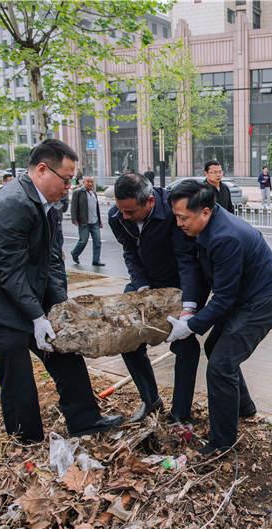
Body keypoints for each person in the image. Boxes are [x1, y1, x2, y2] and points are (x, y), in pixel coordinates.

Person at [0, 139, 123, 443]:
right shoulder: (13, 203)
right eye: (66, 179)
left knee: (62, 348)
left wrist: (57, 311)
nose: (69, 186)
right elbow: (10, 271)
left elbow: (53, 261)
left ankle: (85, 420)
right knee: (16, 360)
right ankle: (25, 439)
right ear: (42, 169)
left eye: (73, 180)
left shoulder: (49, 206)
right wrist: (35, 317)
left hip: (19, 290)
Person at [166, 180, 272, 455]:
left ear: (205, 212)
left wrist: (191, 326)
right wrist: (190, 311)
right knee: (215, 349)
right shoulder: (208, 228)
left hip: (262, 302)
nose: (179, 224)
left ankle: (223, 441)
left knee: (220, 365)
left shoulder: (225, 237)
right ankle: (244, 407)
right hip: (245, 297)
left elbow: (223, 298)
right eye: (176, 216)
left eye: (183, 218)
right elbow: (207, 279)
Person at [108, 173, 203, 424]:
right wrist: (141, 285)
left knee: (185, 344)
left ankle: (180, 412)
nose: (124, 217)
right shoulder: (117, 216)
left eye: (130, 211)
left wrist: (189, 305)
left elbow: (186, 260)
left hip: (179, 284)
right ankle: (150, 400)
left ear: (150, 202)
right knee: (127, 339)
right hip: (145, 283)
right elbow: (130, 252)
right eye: (121, 210)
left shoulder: (173, 213)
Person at [70, 176, 104, 266]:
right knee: (83, 241)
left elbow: (96, 208)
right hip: (84, 222)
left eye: (91, 182)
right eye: (88, 182)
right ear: (84, 182)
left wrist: (100, 221)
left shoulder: (94, 193)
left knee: (97, 242)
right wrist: (74, 219)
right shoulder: (78, 192)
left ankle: (96, 260)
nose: (90, 184)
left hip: (95, 222)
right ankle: (75, 253)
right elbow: (73, 207)